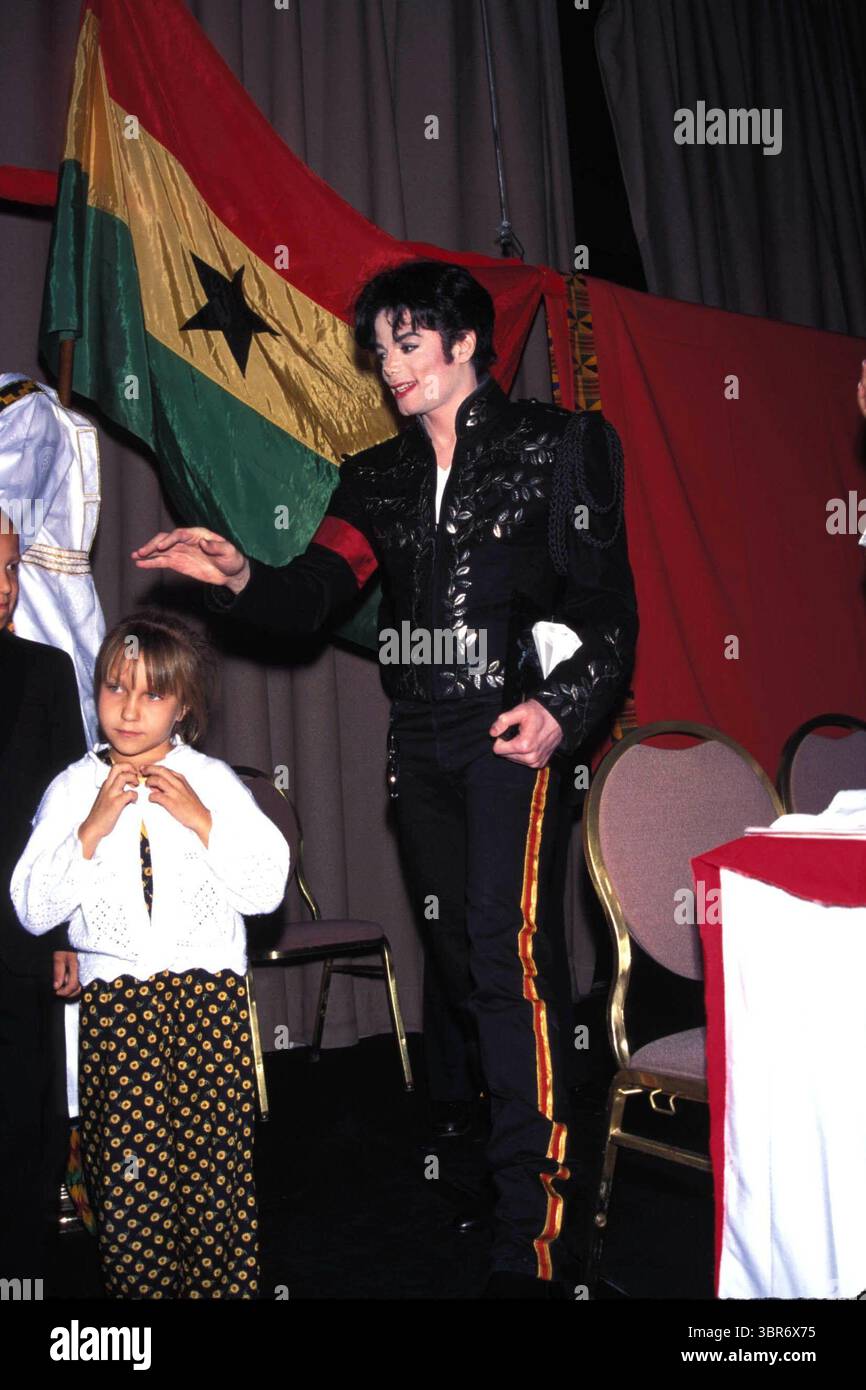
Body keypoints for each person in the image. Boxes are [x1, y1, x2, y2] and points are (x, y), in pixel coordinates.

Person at [131, 258, 639, 1297]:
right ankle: (500, 1183)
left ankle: (536, 1239)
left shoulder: (558, 445)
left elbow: (607, 610)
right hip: (421, 747)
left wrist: (558, 709)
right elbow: (312, 594)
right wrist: (235, 575)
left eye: (408, 344)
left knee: (510, 969)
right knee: (462, 972)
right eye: (380, 349)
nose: (389, 366)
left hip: (512, 733)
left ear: (461, 343)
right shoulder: (377, 476)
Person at [11, 608, 291, 1298]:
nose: (130, 709)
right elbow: (31, 905)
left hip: (208, 1008)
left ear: (184, 706)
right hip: (121, 1013)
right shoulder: (74, 788)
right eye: (115, 688)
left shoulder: (213, 782)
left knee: (215, 1182)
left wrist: (201, 819)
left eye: (152, 693)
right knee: (134, 1194)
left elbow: (266, 887)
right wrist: (91, 828)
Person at [0, 506, 85, 1287]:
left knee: (28, 1117)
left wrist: (65, 932)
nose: (3, 588)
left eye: (10, 568)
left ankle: (23, 1273)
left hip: (22, 938)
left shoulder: (46, 670)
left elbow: (64, 820)